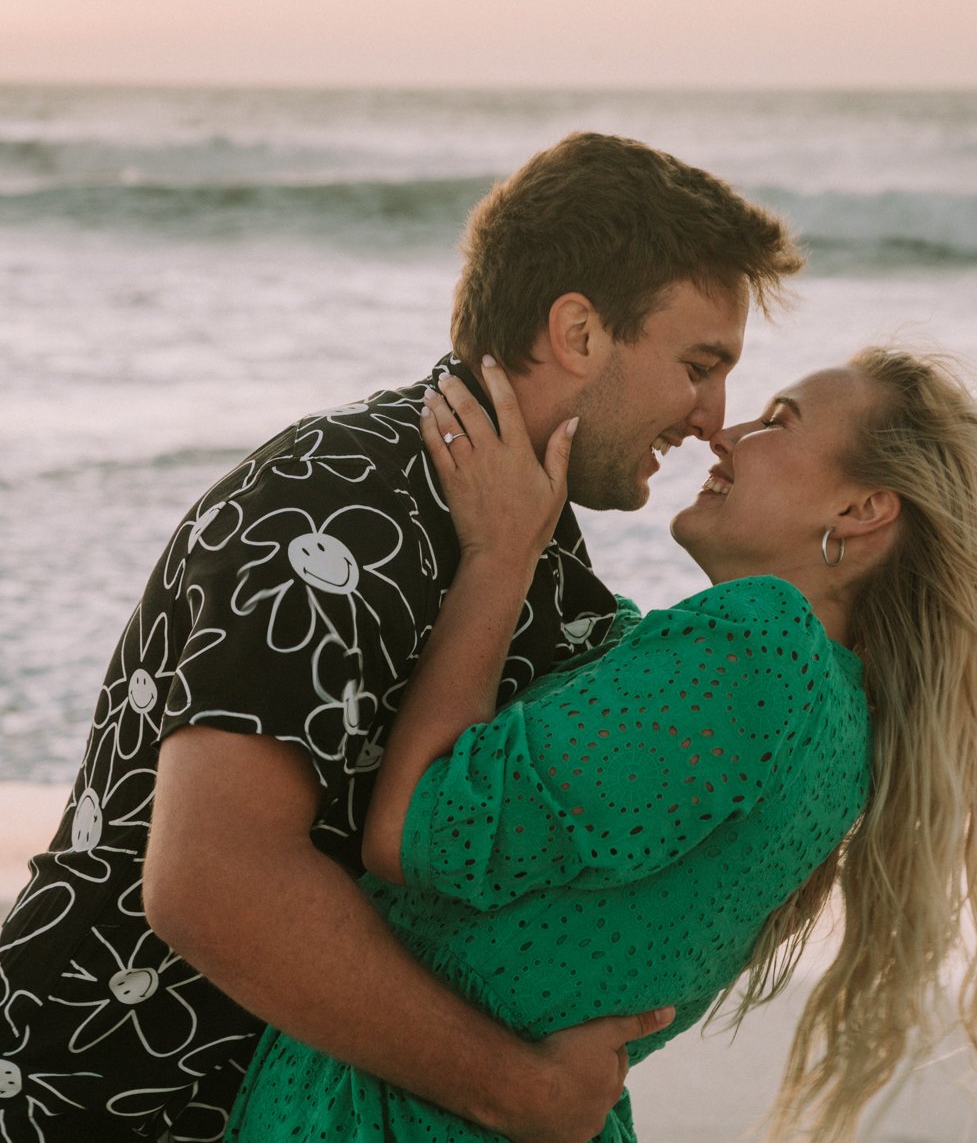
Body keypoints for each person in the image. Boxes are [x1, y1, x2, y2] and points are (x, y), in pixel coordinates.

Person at [0, 133, 802, 1142]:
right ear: (580, 333)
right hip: (115, 1103)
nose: (711, 418)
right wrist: (518, 1090)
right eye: (698, 364)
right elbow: (209, 883)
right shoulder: (339, 502)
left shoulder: (529, 544)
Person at [222, 348, 977, 1143]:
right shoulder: (843, 734)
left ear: (863, 510)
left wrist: (501, 554)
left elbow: (418, 830)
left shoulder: (762, 648)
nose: (723, 435)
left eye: (777, 423)